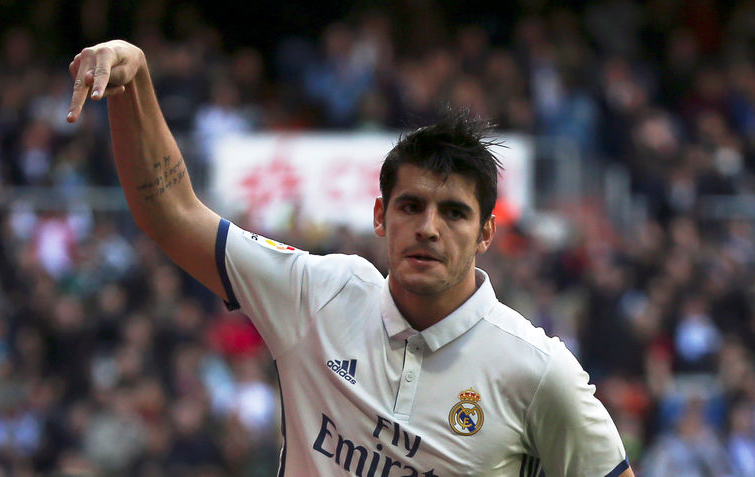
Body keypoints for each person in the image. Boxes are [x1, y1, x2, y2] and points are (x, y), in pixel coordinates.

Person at [66, 39, 635, 477]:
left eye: (455, 214)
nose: (429, 229)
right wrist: (133, 80)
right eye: (411, 206)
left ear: (487, 232)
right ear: (380, 217)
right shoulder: (319, 295)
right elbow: (171, 215)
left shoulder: (538, 371)